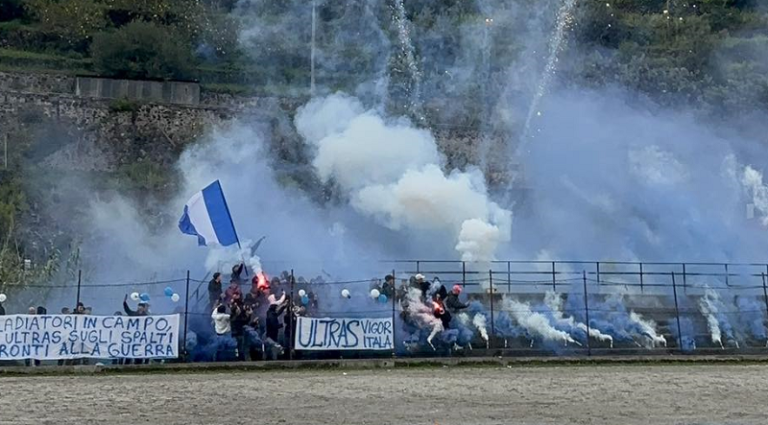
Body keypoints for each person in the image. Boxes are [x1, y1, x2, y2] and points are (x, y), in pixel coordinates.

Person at [264, 293, 287, 360]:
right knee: (274, 350)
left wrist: (283, 307)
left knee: (272, 351)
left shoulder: (270, 313)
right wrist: (282, 325)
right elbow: (274, 326)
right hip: (271, 337)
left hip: (271, 336)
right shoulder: (271, 315)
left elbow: (277, 313)